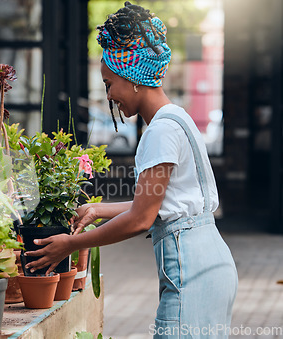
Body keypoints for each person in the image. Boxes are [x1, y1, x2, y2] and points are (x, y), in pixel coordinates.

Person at [25, 2, 238, 338]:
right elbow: (157, 203)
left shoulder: (160, 132)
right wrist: (96, 209)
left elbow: (141, 219)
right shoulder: (177, 118)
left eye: (110, 84)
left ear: (131, 78)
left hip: (192, 270)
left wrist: (70, 244)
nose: (109, 95)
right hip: (211, 262)